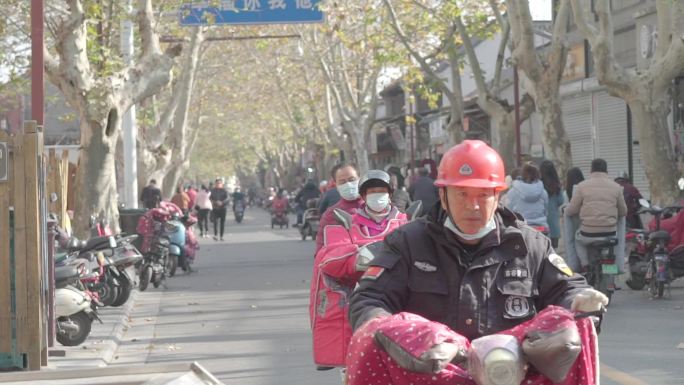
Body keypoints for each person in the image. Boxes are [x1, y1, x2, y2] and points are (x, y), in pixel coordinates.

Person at [347, 140, 606, 385]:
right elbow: (368, 300)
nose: (473, 206)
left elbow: (566, 288)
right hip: (430, 375)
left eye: (483, 195)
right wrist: (402, 334)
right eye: (462, 194)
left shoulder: (531, 245)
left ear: (498, 196)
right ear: (443, 195)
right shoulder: (407, 243)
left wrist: (579, 301)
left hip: (508, 374)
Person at [310, 170, 409, 375]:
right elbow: (326, 258)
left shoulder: (406, 223)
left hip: (399, 304)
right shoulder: (345, 222)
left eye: (381, 190)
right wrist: (360, 256)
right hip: (358, 306)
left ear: (390, 193)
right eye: (372, 191)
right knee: (358, 369)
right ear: (363, 196)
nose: (377, 195)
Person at [565, 159, 627, 270]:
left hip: (588, 235)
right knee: (610, 254)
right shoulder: (616, 187)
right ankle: (611, 275)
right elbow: (623, 212)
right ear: (606, 171)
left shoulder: (582, 186)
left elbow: (571, 210)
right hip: (610, 234)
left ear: (591, 170)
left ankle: (585, 265)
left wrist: (566, 210)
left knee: (577, 239)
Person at [315, 163, 364, 253]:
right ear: (336, 185)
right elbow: (320, 252)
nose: (348, 184)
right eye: (342, 182)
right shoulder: (330, 215)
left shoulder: (374, 209)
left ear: (360, 180)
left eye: (351, 180)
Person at [504, 162, 549, 228]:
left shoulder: (513, 191)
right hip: (541, 227)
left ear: (522, 174)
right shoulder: (543, 192)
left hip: (521, 227)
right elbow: (546, 210)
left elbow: (508, 210)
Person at [540, 160, 566, 248]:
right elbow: (561, 201)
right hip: (554, 226)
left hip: (540, 225)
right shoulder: (557, 186)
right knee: (553, 254)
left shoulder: (537, 185)